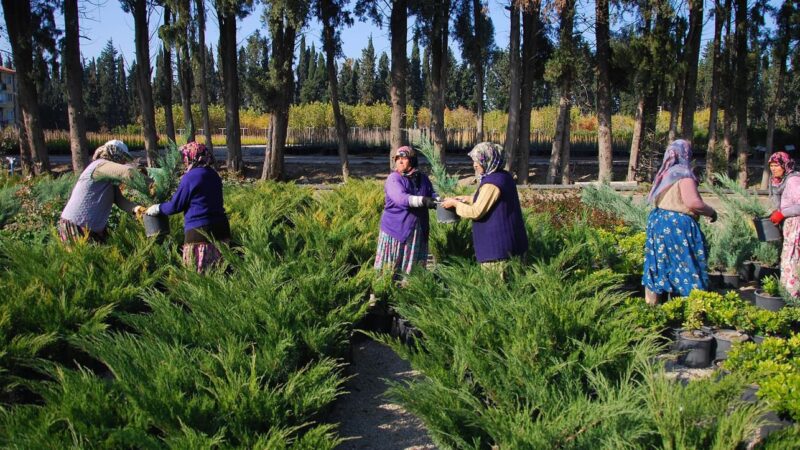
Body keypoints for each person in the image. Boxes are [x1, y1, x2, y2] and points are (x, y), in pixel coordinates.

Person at [642, 139, 717, 305]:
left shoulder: (664, 173)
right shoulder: (684, 174)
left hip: (659, 222)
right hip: (677, 226)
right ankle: (690, 309)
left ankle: (652, 306)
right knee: (686, 265)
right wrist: (711, 212)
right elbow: (693, 202)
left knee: (659, 264)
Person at [144, 142, 230, 273]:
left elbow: (175, 206)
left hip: (199, 234)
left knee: (199, 280)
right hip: (221, 231)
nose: (183, 161)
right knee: (220, 275)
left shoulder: (190, 177)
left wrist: (157, 208)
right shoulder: (214, 175)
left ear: (191, 157)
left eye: (184, 157)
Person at [440, 142, 528, 270]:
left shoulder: (492, 183)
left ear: (489, 159)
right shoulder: (503, 177)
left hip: (498, 252)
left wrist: (455, 204)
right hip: (513, 246)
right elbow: (494, 201)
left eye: (479, 160)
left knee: (496, 289)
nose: (475, 165)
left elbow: (476, 212)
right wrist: (468, 199)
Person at [59, 140, 145, 243]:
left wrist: (136, 209)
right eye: (123, 158)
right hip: (76, 224)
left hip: (92, 227)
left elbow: (119, 200)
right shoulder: (100, 165)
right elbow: (127, 172)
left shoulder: (108, 178)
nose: (123, 162)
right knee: (82, 257)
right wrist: (154, 181)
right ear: (115, 154)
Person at [374, 146, 437, 277]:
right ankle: (382, 294)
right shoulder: (394, 179)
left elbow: (432, 194)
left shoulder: (423, 179)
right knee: (389, 271)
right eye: (398, 159)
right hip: (396, 233)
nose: (400, 162)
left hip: (417, 233)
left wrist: (443, 202)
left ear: (413, 161)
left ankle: (407, 294)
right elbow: (401, 199)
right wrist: (424, 201)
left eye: (404, 158)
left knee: (412, 273)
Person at [766, 151, 800, 296]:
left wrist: (782, 214)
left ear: (785, 165)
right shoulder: (781, 182)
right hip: (789, 226)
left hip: (796, 226)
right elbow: (777, 204)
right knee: (787, 259)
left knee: (792, 260)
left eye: (776, 165)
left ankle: (793, 297)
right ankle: (788, 295)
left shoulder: (793, 180)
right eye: (771, 166)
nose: (773, 169)